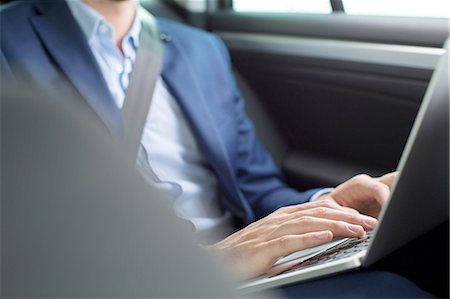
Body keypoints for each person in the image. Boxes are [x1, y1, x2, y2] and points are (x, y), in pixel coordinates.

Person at [0, 0, 425, 288]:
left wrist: (331, 203)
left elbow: (255, 189)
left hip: (257, 272)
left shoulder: (200, 50)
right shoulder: (9, 41)